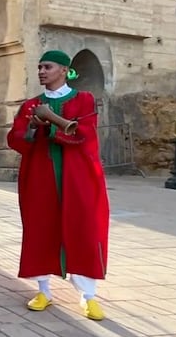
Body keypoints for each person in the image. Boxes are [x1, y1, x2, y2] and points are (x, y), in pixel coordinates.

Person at [7, 50, 109, 321]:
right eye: (40, 67)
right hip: (40, 175)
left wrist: (51, 119)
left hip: (78, 177)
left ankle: (88, 296)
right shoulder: (30, 104)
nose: (41, 71)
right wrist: (32, 126)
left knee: (84, 230)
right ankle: (43, 290)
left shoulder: (83, 99)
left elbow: (85, 134)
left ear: (64, 70)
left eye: (48, 67)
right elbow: (16, 139)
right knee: (40, 229)